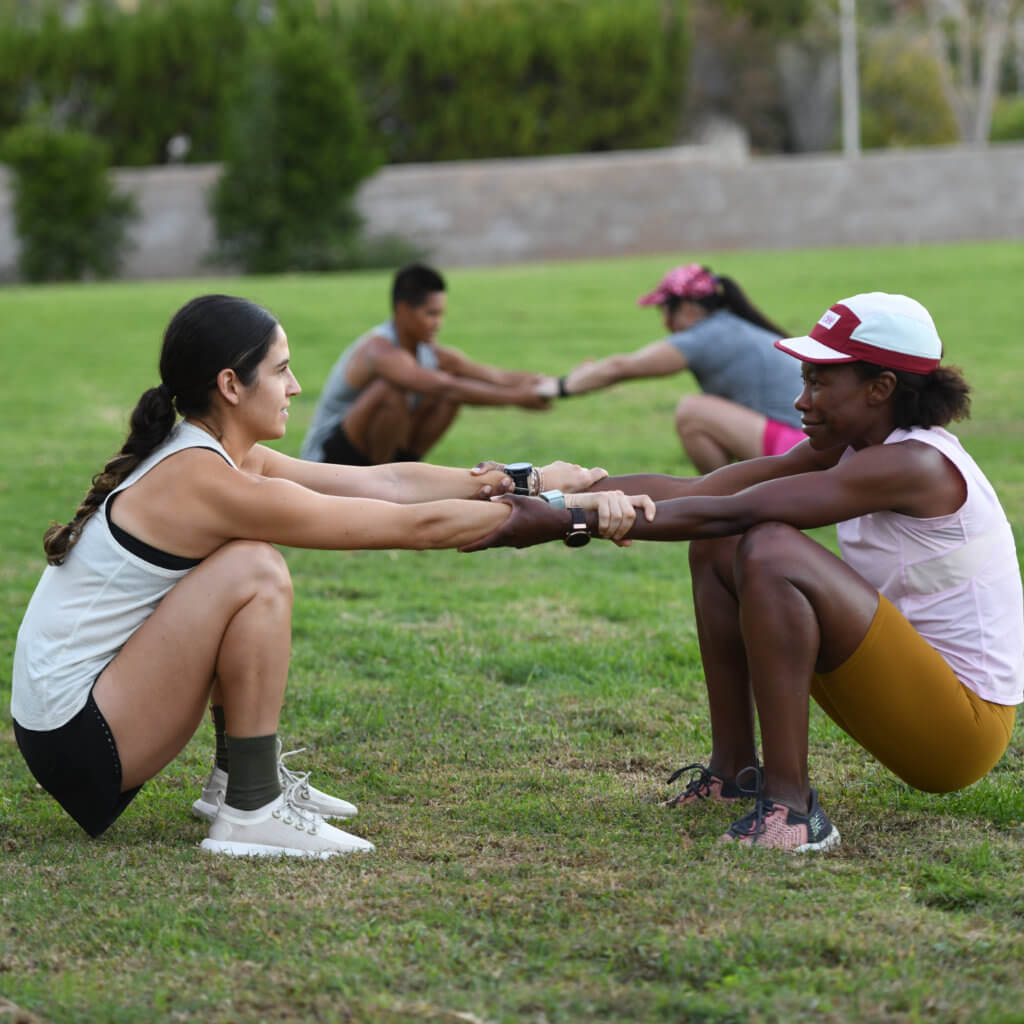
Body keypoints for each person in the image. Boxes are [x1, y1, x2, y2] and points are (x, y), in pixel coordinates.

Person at [10, 294, 651, 859]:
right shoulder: (203, 479)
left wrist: (525, 479)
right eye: (282, 370)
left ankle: (236, 782)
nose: (295, 386)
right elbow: (411, 527)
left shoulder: (219, 453)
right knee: (254, 568)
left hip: (78, 723)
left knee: (245, 562)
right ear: (231, 384)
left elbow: (387, 480)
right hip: (81, 739)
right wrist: (566, 515)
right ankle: (252, 811)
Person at [465, 292, 1023, 853]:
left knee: (770, 548)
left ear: (881, 389)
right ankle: (734, 775)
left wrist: (568, 521)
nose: (801, 400)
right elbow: (697, 493)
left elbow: (741, 508)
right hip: (907, 691)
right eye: (805, 380)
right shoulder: (852, 448)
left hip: (961, 731)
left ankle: (795, 809)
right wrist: (548, 490)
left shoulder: (913, 463)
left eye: (820, 383)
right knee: (723, 543)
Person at [549, 263, 805, 473]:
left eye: (664, 310)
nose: (663, 322)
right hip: (805, 446)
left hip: (799, 451)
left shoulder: (708, 336)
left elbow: (621, 367)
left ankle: (724, 500)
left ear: (687, 308)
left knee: (692, 412)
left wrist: (557, 388)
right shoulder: (729, 326)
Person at [300, 263, 556, 465]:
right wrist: (516, 399)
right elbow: (446, 386)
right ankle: (381, 482)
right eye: (431, 314)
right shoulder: (378, 350)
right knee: (392, 392)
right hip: (328, 460)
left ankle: (402, 472)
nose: (438, 323)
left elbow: (495, 376)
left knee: (448, 394)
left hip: (380, 453)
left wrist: (557, 385)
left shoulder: (431, 352)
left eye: (441, 314)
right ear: (402, 310)